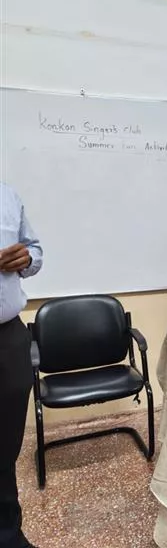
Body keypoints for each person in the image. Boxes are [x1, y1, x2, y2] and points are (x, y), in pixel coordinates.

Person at [0, 182, 43, 548]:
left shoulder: (8, 196)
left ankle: (9, 533)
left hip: (8, 334)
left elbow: (35, 249)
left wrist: (27, 259)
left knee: (6, 445)